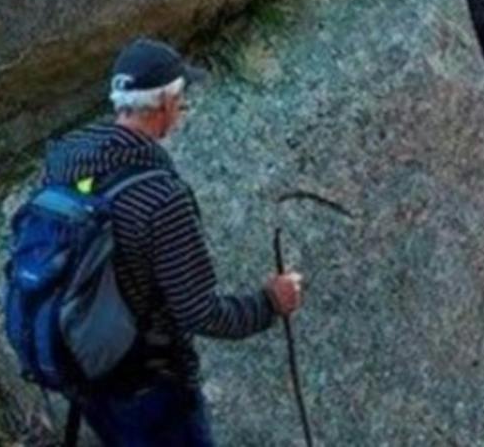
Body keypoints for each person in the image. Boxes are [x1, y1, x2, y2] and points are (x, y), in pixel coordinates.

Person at [41, 36, 303, 447]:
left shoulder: (66, 167)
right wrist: (271, 302)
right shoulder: (161, 199)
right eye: (181, 99)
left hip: (86, 372)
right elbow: (201, 313)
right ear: (164, 105)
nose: (181, 109)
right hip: (151, 389)